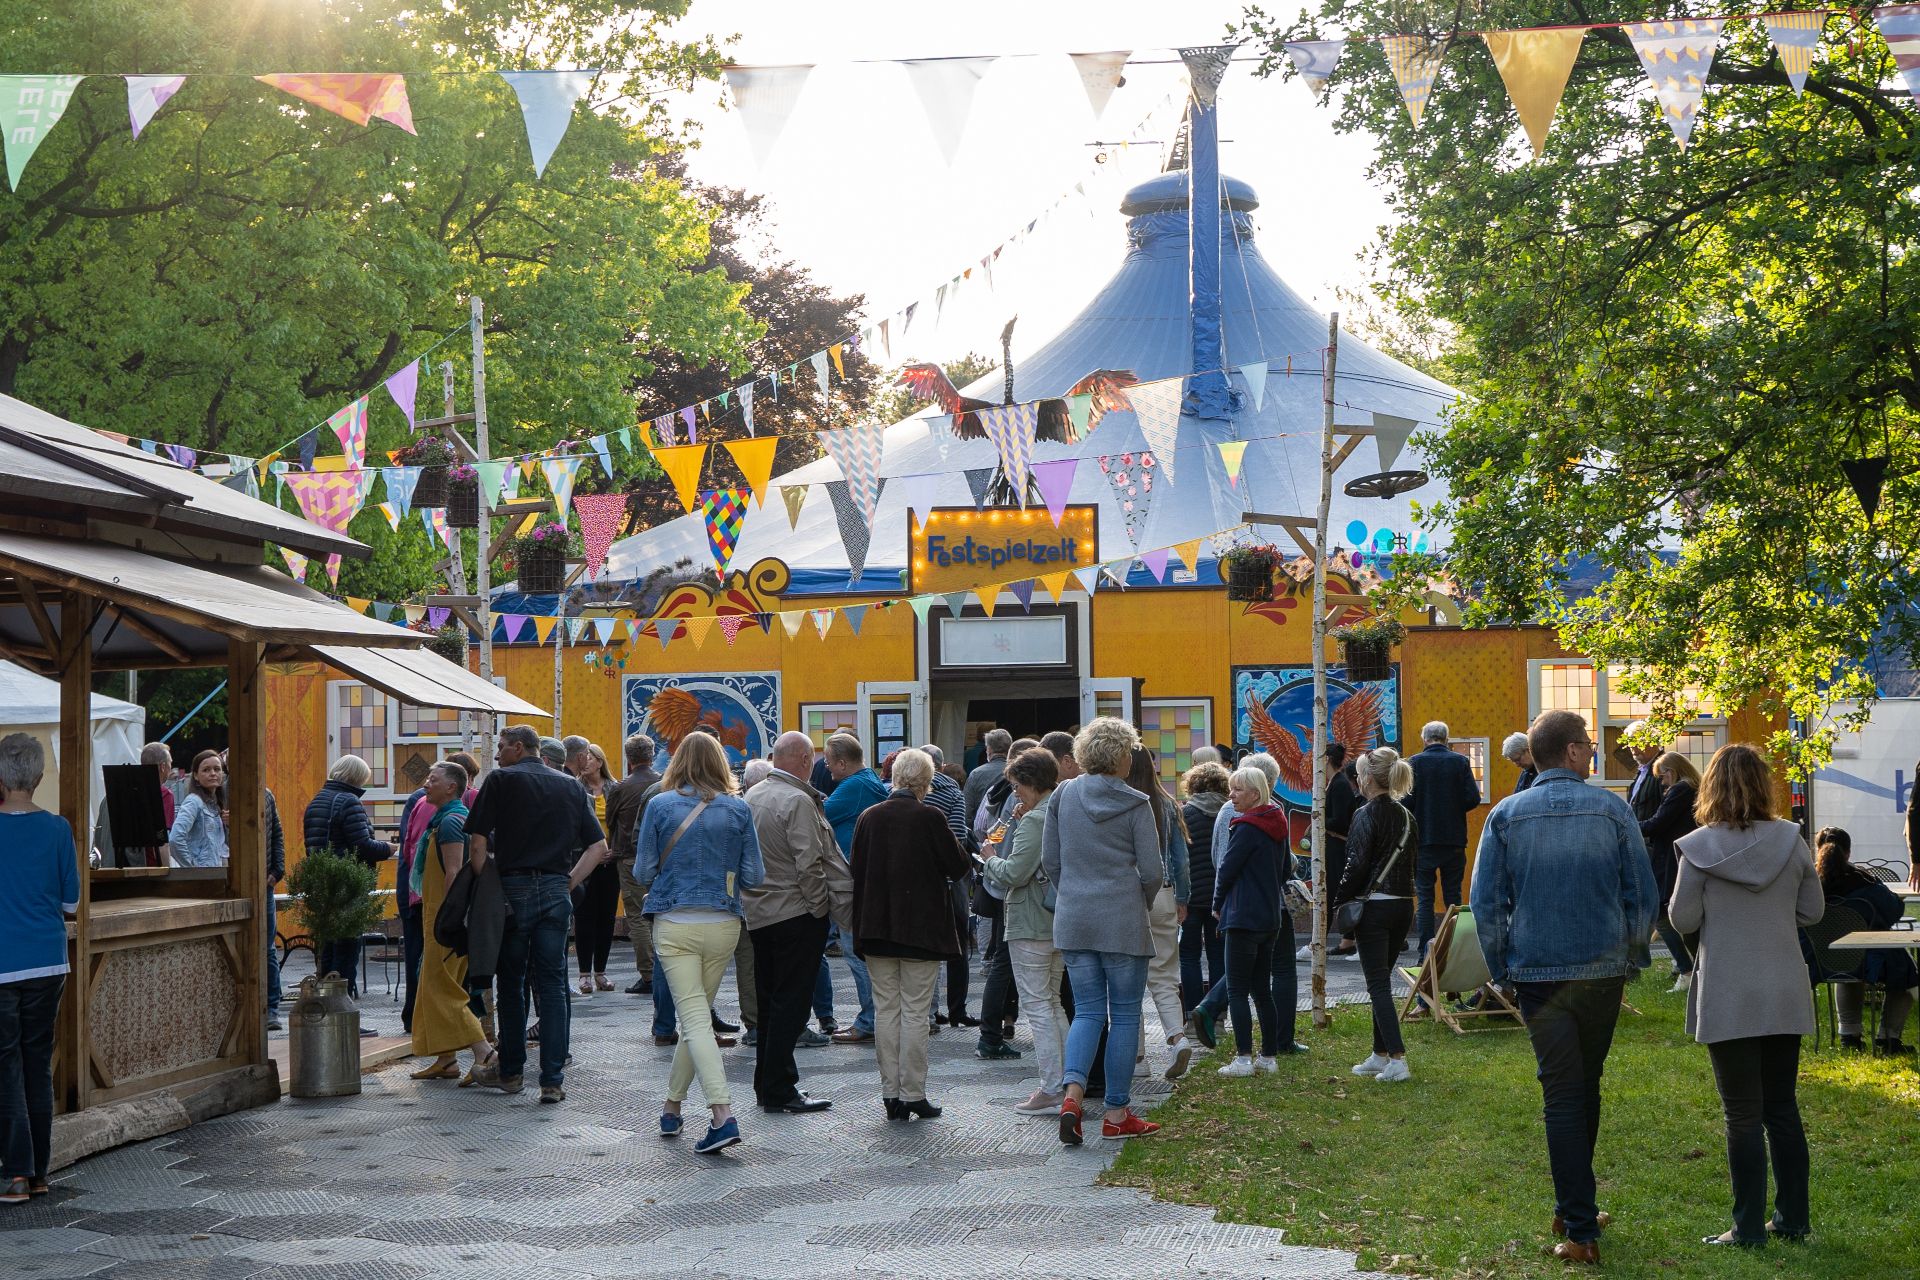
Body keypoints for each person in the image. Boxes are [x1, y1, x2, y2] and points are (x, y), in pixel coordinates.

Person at [1471, 709, 1658, 1266]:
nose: (1596, 753)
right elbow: (1641, 893)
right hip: (1599, 970)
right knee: (1583, 1084)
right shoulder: (1612, 810)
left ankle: (1578, 1218)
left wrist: (1504, 964)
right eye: (1589, 745)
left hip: (1537, 970)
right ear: (1571, 752)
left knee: (1566, 1090)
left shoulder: (1506, 814)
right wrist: (1632, 954)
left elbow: (1486, 903)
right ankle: (1578, 1213)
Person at [1670, 743, 1822, 1247]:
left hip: (1729, 988)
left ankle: (1748, 1227)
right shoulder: (1792, 840)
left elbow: (1682, 919)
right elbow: (1814, 911)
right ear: (1764, 785)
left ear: (1710, 786)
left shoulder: (1697, 848)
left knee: (1742, 1114)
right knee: (1782, 1107)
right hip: (1782, 985)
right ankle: (1794, 1219)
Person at [465, 724, 609, 1104]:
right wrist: (568, 882)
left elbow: (477, 844)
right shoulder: (571, 786)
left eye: (500, 747)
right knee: (552, 985)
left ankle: (511, 1074)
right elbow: (598, 846)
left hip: (511, 893)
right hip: (554, 892)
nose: (496, 755)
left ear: (517, 748)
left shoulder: (500, 781)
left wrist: (486, 885)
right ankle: (551, 1080)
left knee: (511, 984)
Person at [638, 733, 763, 1154]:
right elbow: (754, 876)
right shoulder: (739, 809)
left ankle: (722, 1114)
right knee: (695, 1022)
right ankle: (672, 1107)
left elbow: (642, 871)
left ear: (677, 762)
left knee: (693, 1020)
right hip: (724, 922)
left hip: (675, 922)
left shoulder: (659, 805)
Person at [1043, 717, 1163, 1144]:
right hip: (1122, 918)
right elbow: (1152, 870)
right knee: (1126, 1013)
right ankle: (1116, 1111)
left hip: (1074, 917)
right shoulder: (1135, 803)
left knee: (1088, 1010)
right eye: (1130, 750)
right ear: (1118, 756)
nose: (1133, 758)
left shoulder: (1063, 794)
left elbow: (1051, 861)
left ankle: (1072, 1095)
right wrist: (1140, 901)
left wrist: (1073, 893)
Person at [850, 749, 969, 1120]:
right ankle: (913, 1091)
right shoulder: (930, 816)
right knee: (916, 1012)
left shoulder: (869, 817)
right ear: (926, 782)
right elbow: (958, 865)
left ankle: (890, 1094)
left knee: (886, 1010)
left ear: (896, 777)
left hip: (877, 927)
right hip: (921, 928)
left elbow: (856, 868)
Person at [745, 732, 850, 1114]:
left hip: (760, 913)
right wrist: (819, 909)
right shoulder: (797, 800)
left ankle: (768, 1085)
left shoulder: (753, 795)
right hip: (795, 913)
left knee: (770, 1001)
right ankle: (780, 1087)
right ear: (806, 759)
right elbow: (809, 864)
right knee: (792, 1002)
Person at [0, 734, 80, 1204]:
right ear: (38, 777)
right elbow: (71, 902)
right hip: (49, 961)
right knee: (35, 1061)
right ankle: (39, 1172)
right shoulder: (57, 829)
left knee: (6, 1063)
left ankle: (15, 1172)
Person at [981, 746, 1067, 1115]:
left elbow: (1016, 872)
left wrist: (989, 859)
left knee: (1039, 1005)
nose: (1014, 792)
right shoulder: (1058, 809)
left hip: (1031, 919)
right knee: (1053, 1002)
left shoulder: (1036, 819)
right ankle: (1067, 1080)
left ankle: (1052, 1086)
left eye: (1016, 785)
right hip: (1056, 919)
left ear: (1031, 782)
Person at [406, 761, 498, 1084]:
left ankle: (484, 1051)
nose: (426, 783)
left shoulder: (451, 822)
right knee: (437, 987)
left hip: (444, 922)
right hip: (437, 917)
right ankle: (446, 1061)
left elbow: (455, 873)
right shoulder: (443, 818)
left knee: (440, 989)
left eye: (434, 779)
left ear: (452, 788)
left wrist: (448, 921)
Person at [1333, 748, 1418, 1084]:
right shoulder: (1406, 815)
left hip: (1375, 906)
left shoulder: (1365, 813)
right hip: (1402, 905)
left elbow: (1355, 863)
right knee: (1381, 978)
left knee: (1378, 983)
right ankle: (1379, 1054)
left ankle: (1397, 1059)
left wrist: (1339, 899)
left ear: (1366, 778)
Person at [1212, 765, 1291, 1078]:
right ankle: (1268, 1056)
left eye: (1238, 790)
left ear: (1256, 794)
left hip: (1242, 916)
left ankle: (1243, 1057)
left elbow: (1227, 870)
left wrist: (1217, 905)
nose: (1232, 796)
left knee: (1236, 990)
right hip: (1270, 917)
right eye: (1231, 789)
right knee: (1262, 990)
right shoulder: (1278, 822)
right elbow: (1286, 870)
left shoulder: (1245, 827)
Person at [302, 754, 396, 1009]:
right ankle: (343, 1011)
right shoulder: (349, 801)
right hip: (347, 886)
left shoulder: (318, 800)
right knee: (346, 950)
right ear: (357, 777)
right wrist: (389, 848)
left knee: (328, 948)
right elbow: (362, 847)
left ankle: (325, 1010)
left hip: (323, 885)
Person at [1809, 827, 1914, 1053]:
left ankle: (1849, 1036)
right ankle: (1889, 1038)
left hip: (1820, 960)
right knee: (1905, 975)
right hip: (1868, 959)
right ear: (1848, 852)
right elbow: (1894, 910)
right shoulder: (1865, 881)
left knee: (1847, 972)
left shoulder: (1809, 884)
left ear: (1816, 850)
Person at [1128, 747, 1194, 1079]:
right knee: (1165, 976)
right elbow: (1181, 861)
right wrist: (1182, 899)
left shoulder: (1122, 803)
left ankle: (1138, 1059)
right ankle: (1177, 1037)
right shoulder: (1167, 804)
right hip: (1164, 896)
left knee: (1128, 979)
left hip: (1128, 898)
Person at [821, 734, 886, 1044]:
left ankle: (869, 1019)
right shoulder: (869, 779)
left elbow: (820, 818)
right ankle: (874, 1016)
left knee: (854, 951)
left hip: (850, 881)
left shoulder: (853, 786)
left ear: (843, 763)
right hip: (864, 878)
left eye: (830, 761)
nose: (826, 766)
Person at [1407, 721, 1482, 959]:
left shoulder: (1414, 762)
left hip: (1424, 841)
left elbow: (1406, 802)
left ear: (1425, 738)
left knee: (1425, 898)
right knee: (1453, 897)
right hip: (1454, 840)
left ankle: (1424, 952)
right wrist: (1453, 806)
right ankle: (1453, 950)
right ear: (1446, 738)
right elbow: (1472, 798)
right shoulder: (1459, 762)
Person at [918, 744, 976, 1033]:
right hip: (950, 881)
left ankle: (929, 1011)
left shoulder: (905, 790)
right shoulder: (953, 790)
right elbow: (957, 835)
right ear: (940, 766)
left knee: (925, 947)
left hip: (919, 882)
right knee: (958, 947)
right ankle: (957, 1008)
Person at [1640, 752, 1702, 993]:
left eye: (1662, 776)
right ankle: (1695, 969)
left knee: (1662, 914)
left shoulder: (1681, 790)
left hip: (1671, 862)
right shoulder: (1693, 788)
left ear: (1671, 771)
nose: (1662, 783)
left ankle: (1689, 970)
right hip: (1680, 858)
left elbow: (1658, 823)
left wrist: (1629, 826)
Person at [605, 734, 661, 995]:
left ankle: (648, 974)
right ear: (652, 754)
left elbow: (612, 820)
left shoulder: (621, 788)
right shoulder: (665, 783)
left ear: (629, 759)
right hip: (661, 858)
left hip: (629, 857)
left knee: (637, 916)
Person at [567, 740, 620, 996]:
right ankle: (584, 974)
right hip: (583, 859)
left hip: (610, 862)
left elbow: (621, 825)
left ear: (599, 761)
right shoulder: (575, 787)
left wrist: (614, 850)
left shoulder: (614, 788)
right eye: (584, 757)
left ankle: (601, 971)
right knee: (584, 917)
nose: (585, 761)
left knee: (606, 918)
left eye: (590, 758)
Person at [1179, 762, 1229, 1010]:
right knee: (1218, 955)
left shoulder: (1185, 814)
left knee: (1189, 956)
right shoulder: (1230, 812)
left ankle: (1192, 1012)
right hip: (1221, 897)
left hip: (1190, 896)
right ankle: (1216, 1016)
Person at [1321, 743, 1362, 958]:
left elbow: (1339, 821)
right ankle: (1347, 939)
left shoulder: (1338, 785)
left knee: (1331, 893)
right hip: (1335, 845)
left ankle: (1318, 941)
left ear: (1326, 758)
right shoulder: (1335, 783)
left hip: (1338, 846)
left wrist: (1318, 819)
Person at [169, 749, 228, 867]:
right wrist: (193, 869)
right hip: (202, 879)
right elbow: (175, 839)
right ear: (195, 775)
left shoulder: (215, 804)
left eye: (217, 769)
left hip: (217, 877)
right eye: (206, 770)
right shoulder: (194, 801)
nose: (213, 773)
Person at [963, 729, 1012, 833]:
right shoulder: (1016, 772)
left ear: (988, 749)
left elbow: (967, 811)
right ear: (1009, 749)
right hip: (1011, 832)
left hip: (982, 835)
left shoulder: (976, 774)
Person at [1623, 722, 1667, 824]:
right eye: (1630, 743)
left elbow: (1665, 813)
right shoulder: (1643, 770)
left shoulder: (1664, 769)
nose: (1633, 748)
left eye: (1637, 743)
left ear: (1652, 742)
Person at [139, 741, 174, 866]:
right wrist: (166, 871)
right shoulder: (163, 794)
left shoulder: (127, 790)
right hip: (151, 868)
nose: (171, 768)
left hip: (127, 863)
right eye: (170, 763)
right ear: (163, 766)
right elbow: (161, 839)